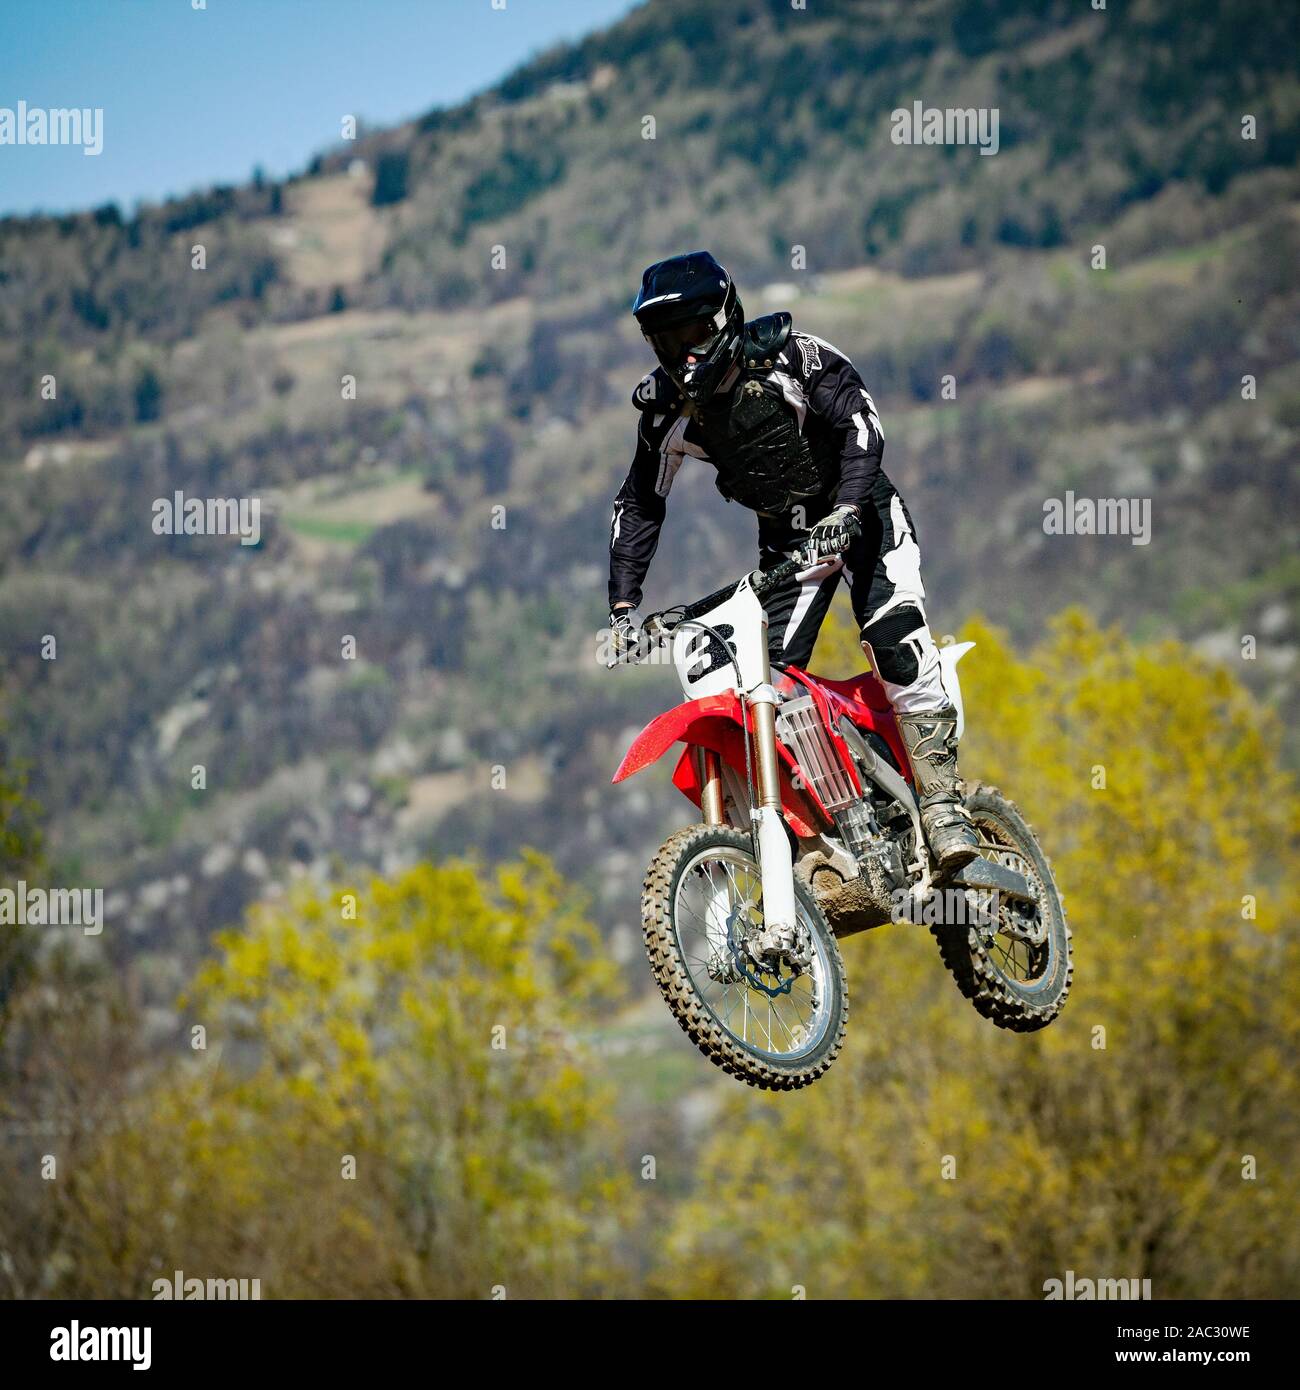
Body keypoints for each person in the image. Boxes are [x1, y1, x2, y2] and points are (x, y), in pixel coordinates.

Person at [607, 250, 978, 875]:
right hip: (786, 544)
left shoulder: (793, 356)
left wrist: (847, 511)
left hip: (864, 516)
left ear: (725, 317)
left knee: (893, 638)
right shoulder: (668, 412)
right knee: (761, 685)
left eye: (694, 335)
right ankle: (823, 830)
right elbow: (641, 500)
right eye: (668, 341)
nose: (684, 355)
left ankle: (944, 807)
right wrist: (623, 606)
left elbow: (862, 426)